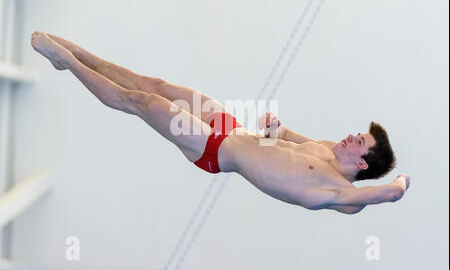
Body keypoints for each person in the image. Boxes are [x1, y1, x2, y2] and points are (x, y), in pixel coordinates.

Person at [31, 31, 410, 215]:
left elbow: (391, 192)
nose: (349, 137)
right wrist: (275, 128)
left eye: (358, 141)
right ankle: (82, 54)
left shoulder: (339, 195)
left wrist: (403, 180)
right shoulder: (324, 149)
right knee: (157, 85)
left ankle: (68, 63)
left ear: (362, 164)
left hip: (214, 150)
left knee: (141, 102)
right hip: (232, 128)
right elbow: (284, 138)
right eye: (356, 133)